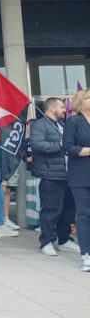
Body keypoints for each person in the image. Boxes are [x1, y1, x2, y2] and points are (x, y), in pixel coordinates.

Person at [30, 97, 78, 256]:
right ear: (52, 108)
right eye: (62, 107)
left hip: (68, 174)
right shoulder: (39, 124)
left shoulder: (62, 125)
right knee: (51, 209)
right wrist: (59, 145)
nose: (65, 110)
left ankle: (64, 240)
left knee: (68, 209)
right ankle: (47, 241)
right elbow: (36, 144)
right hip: (51, 174)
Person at [62, 89, 90, 272]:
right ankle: (86, 254)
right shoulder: (74, 122)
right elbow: (68, 148)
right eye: (88, 97)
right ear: (81, 101)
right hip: (81, 175)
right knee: (84, 214)